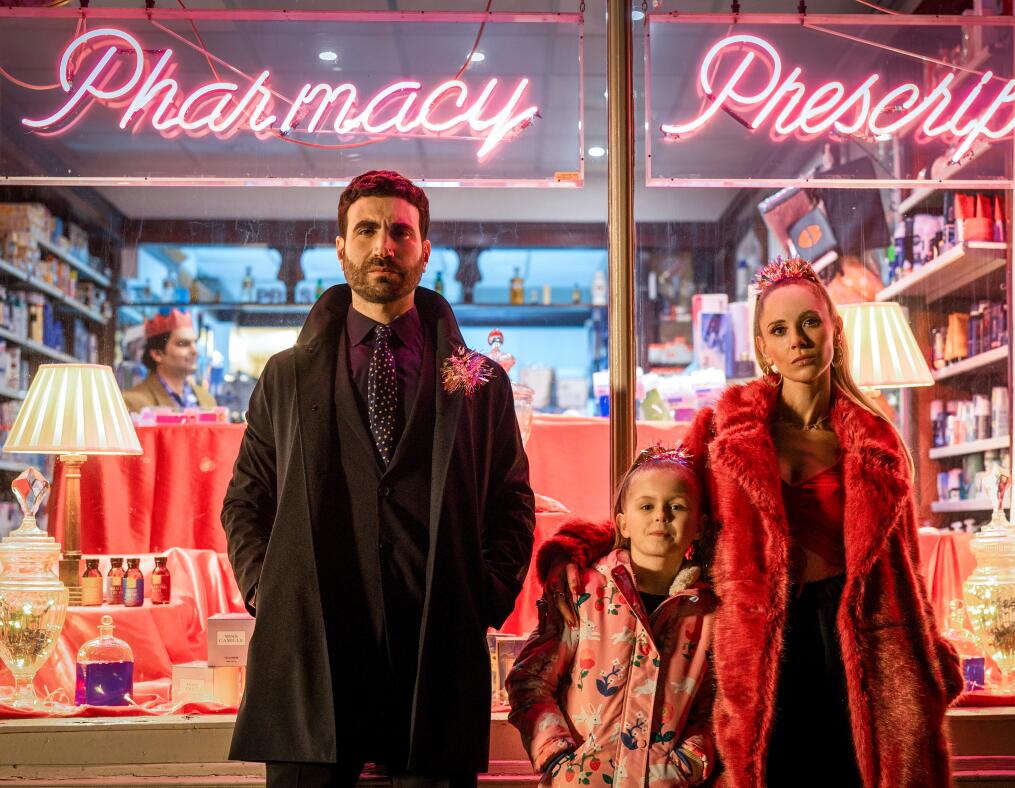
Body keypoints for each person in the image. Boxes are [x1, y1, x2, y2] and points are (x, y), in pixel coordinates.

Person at [540, 257, 964, 787]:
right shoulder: (725, 428)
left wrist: (931, 655)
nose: (798, 340)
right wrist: (586, 548)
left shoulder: (877, 442)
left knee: (853, 772)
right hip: (759, 637)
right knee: (766, 768)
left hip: (854, 641)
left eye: (810, 323)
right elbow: (665, 500)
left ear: (833, 327)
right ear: (763, 346)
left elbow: (905, 566)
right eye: (780, 330)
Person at [221, 170, 535, 788]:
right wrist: (271, 591)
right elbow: (245, 501)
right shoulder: (285, 377)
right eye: (366, 230)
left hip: (434, 651)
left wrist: (482, 598)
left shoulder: (480, 382)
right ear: (341, 247)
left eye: (399, 231)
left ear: (423, 248)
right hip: (313, 648)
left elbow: (512, 504)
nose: (382, 246)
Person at [507, 444, 716, 788]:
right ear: (623, 522)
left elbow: (716, 707)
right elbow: (530, 681)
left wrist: (685, 765)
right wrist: (558, 758)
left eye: (676, 506)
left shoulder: (710, 615)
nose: (660, 515)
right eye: (646, 506)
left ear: (699, 526)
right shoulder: (583, 592)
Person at [123, 309, 216, 411]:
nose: (195, 351)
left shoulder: (208, 400)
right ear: (157, 354)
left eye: (195, 343)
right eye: (183, 344)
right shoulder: (133, 402)